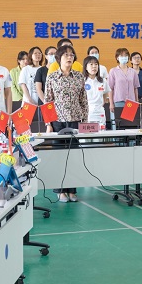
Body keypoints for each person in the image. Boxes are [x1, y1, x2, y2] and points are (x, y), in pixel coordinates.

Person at [44, 45, 88, 203]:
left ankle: (72, 190)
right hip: (57, 122)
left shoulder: (79, 77)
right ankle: (60, 190)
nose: (69, 57)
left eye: (71, 55)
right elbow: (47, 101)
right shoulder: (52, 77)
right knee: (59, 157)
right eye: (66, 55)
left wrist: (85, 121)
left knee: (73, 157)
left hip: (75, 120)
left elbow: (83, 100)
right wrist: (48, 123)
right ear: (59, 59)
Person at [83, 55, 111, 128]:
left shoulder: (102, 81)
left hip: (99, 112)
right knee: (87, 134)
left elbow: (105, 93)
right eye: (91, 64)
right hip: (87, 112)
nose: (94, 66)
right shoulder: (82, 81)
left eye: (96, 64)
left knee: (101, 133)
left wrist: (102, 103)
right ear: (86, 67)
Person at [35, 46, 57, 132]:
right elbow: (38, 89)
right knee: (47, 130)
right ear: (46, 56)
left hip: (58, 105)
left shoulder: (60, 70)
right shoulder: (41, 70)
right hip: (45, 104)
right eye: (51, 54)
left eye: (55, 54)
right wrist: (46, 102)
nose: (53, 56)